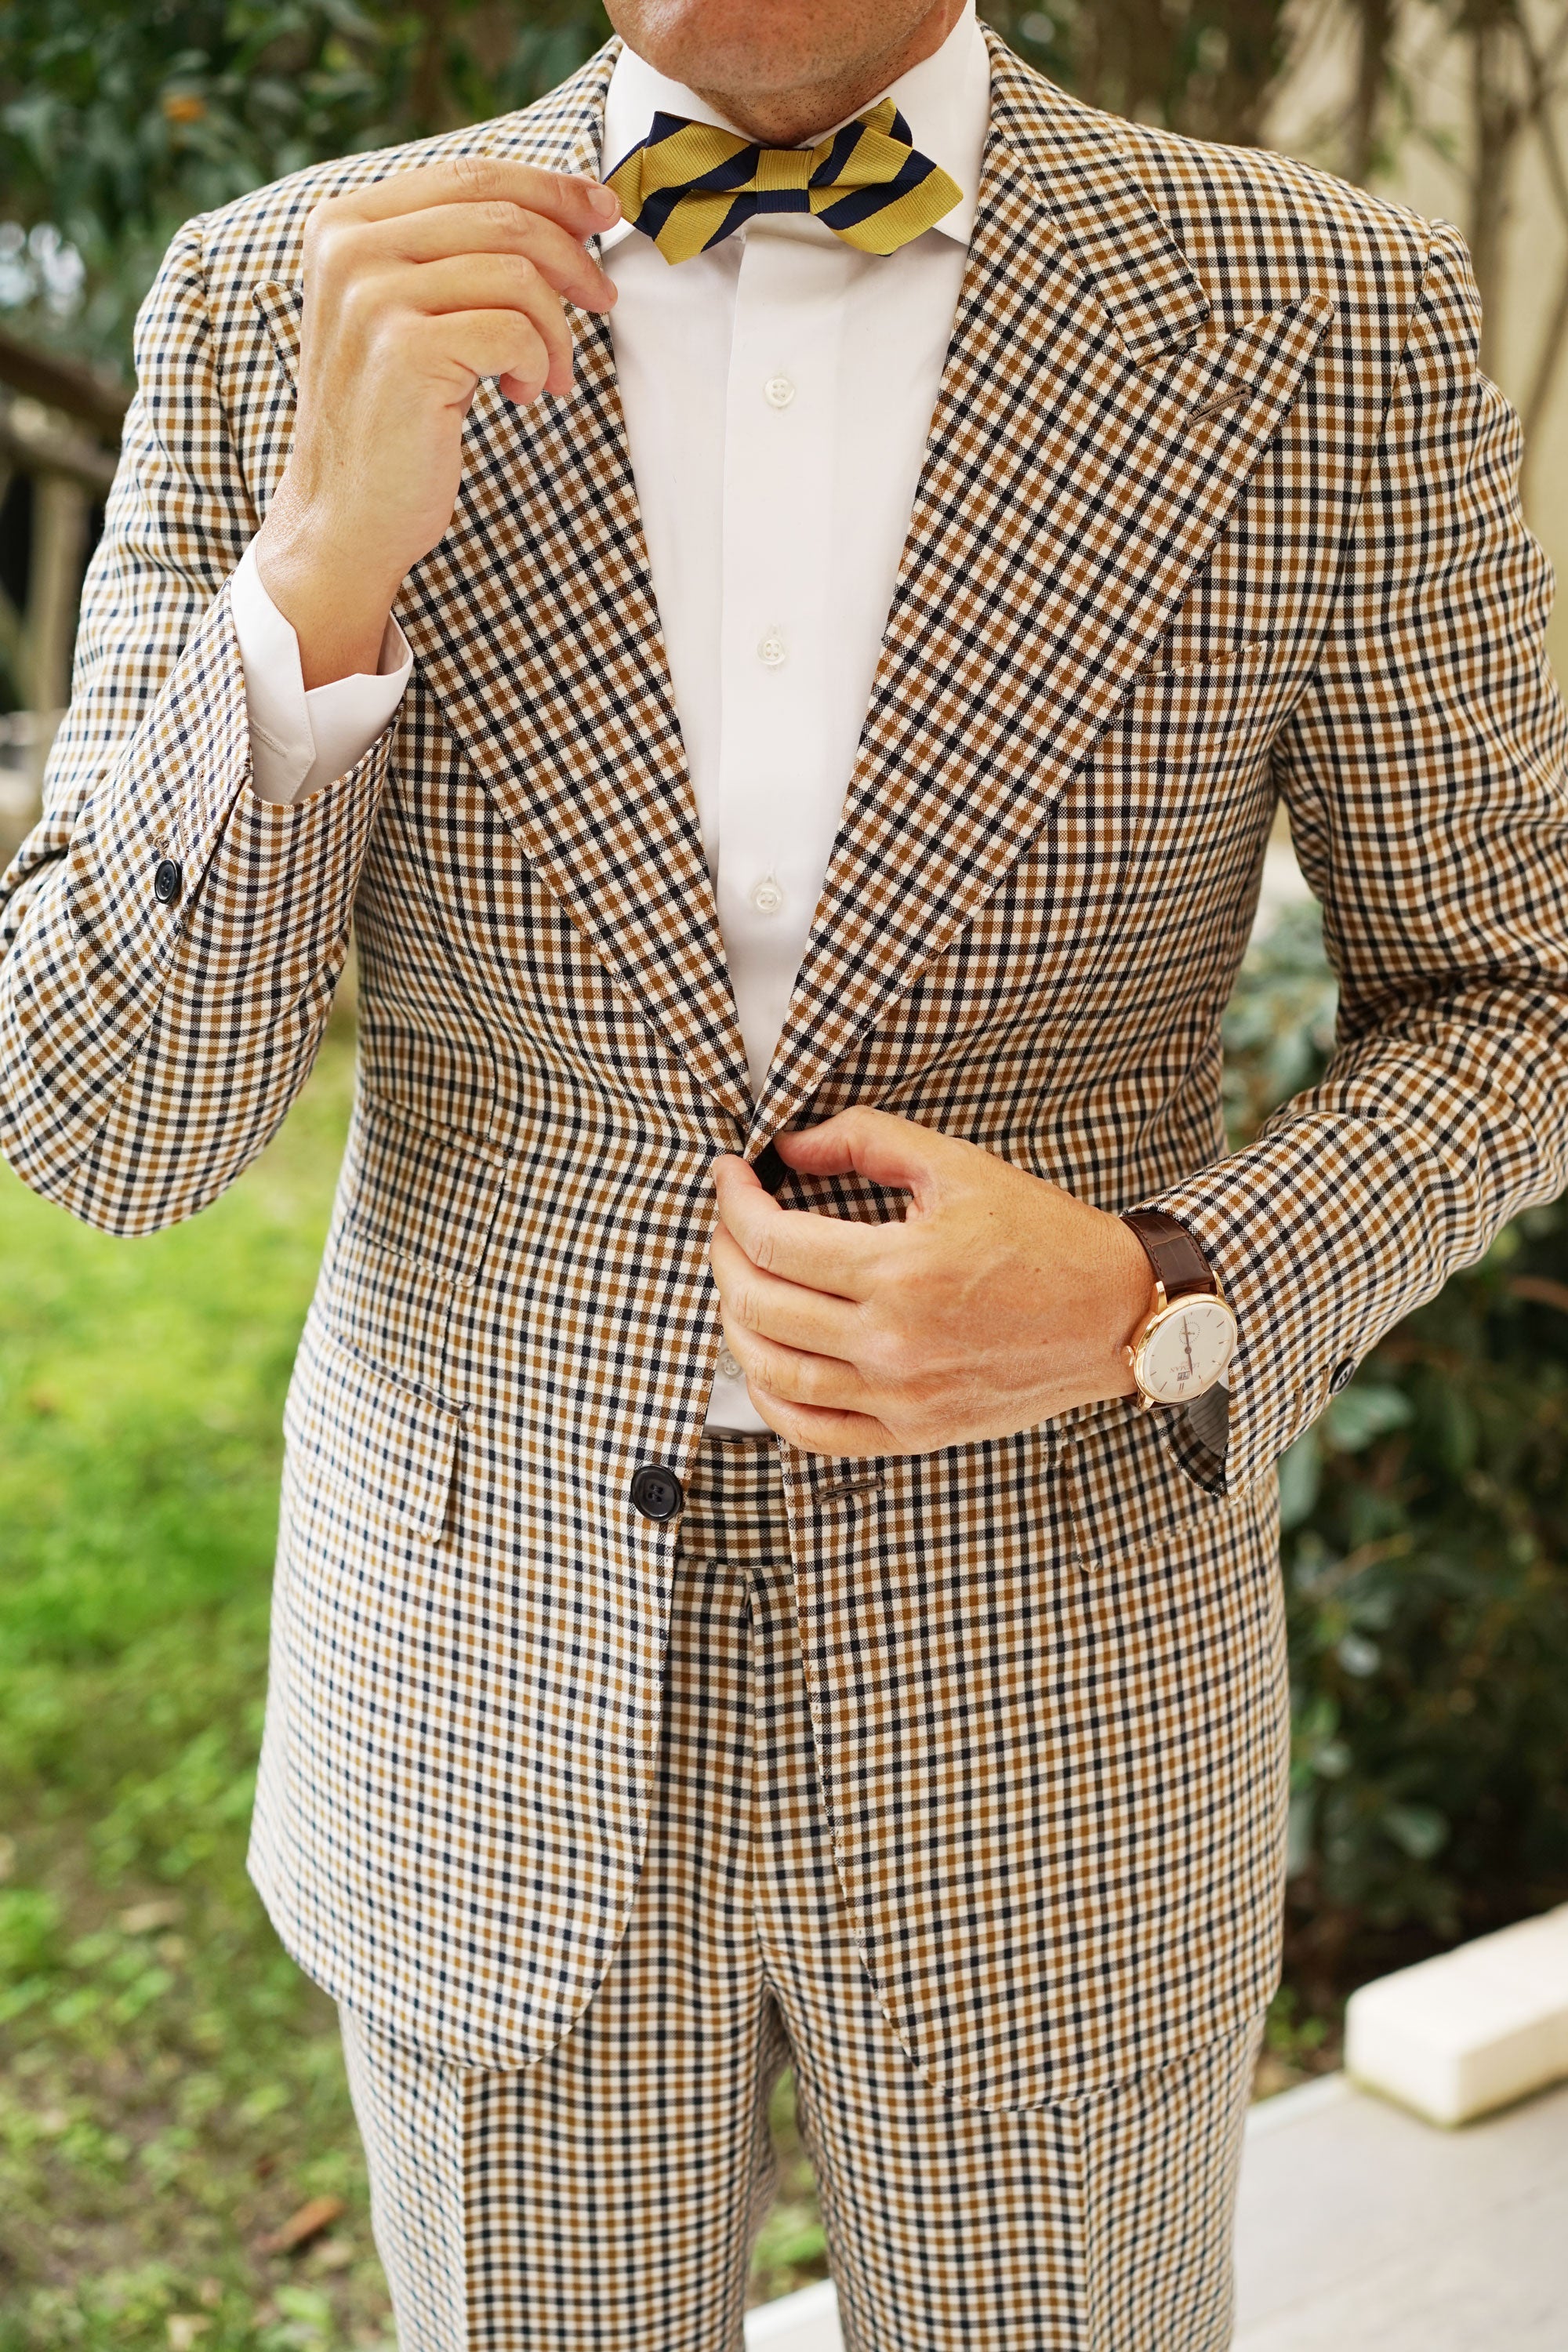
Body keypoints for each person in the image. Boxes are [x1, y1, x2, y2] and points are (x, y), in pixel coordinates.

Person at [3, 0, 1566, 2341]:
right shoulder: (277, 302)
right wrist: (315, 578)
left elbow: (1519, 996)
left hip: (1061, 1700)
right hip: (480, 1680)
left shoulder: (1317, 309)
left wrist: (1164, 1280)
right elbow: (107, 1134)